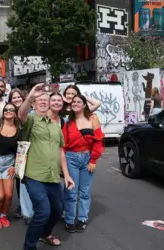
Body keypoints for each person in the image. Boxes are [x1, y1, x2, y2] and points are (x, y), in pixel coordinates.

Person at [17, 84, 75, 249]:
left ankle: (45, 233)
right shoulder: (30, 120)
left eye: (45, 100)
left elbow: (60, 151)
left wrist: (67, 175)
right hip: (34, 175)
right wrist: (30, 96)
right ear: (34, 105)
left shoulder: (55, 125)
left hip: (53, 176)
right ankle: (29, 246)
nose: (43, 102)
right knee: (43, 211)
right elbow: (21, 114)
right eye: (39, 100)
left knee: (57, 209)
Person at [62, 94, 104, 233]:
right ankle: (69, 220)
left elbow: (98, 141)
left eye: (79, 101)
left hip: (87, 158)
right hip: (71, 158)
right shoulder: (68, 122)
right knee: (71, 192)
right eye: (73, 102)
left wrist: (93, 160)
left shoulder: (93, 118)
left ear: (85, 104)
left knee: (85, 192)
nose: (76, 104)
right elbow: (63, 146)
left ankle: (82, 219)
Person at [7, 89, 26, 219]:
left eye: (19, 97)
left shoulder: (28, 113)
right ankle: (22, 205)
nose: (17, 99)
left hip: (28, 149)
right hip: (15, 152)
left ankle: (29, 205)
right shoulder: (9, 115)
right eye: (14, 98)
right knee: (19, 179)